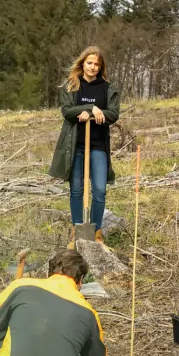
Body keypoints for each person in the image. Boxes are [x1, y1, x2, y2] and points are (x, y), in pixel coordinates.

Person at [49, 46, 121, 247]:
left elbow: (113, 114)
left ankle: (97, 230)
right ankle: (77, 230)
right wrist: (91, 108)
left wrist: (95, 114)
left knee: (99, 189)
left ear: (101, 66)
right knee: (77, 189)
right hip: (75, 146)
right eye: (89, 63)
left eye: (97, 64)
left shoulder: (107, 88)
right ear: (82, 63)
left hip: (98, 145)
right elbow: (67, 111)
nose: (93, 67)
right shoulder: (72, 85)